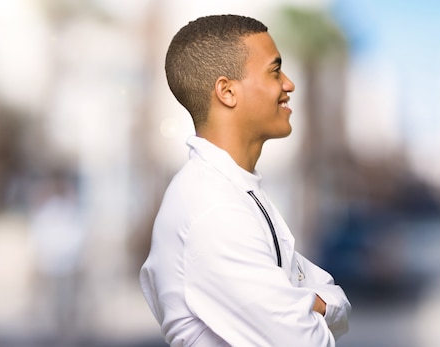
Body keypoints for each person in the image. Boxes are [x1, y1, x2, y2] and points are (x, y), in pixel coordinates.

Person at [139, 14, 351, 347]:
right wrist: (312, 302)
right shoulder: (212, 207)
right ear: (227, 91)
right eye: (275, 71)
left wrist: (314, 303)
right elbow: (305, 341)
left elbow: (335, 300)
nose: (289, 84)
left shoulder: (236, 190)